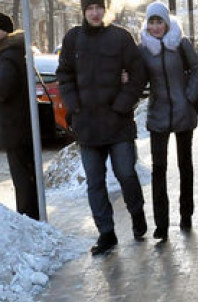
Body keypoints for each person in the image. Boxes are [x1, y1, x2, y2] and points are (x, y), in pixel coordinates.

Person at [56, 0, 148, 255]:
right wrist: (74, 108)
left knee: (126, 173)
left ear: (105, 9)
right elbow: (64, 75)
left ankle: (137, 212)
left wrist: (122, 104)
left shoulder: (120, 37)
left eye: (99, 7)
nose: (95, 13)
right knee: (95, 182)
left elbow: (138, 75)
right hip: (88, 125)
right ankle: (106, 233)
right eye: (90, 8)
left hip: (118, 123)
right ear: (84, 12)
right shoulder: (73, 39)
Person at [138, 1, 198, 241]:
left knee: (185, 165)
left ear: (166, 22)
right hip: (158, 115)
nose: (155, 27)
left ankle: (186, 215)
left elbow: (197, 69)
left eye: (159, 22)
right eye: (151, 22)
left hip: (183, 113)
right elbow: (137, 76)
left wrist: (189, 96)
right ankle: (162, 225)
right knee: (158, 169)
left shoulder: (181, 43)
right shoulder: (143, 48)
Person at [0, 13, 39, 221]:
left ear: (4, 31)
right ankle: (31, 214)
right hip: (19, 125)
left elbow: (3, 89)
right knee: (25, 174)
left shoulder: (7, 57)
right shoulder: (13, 53)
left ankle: (28, 217)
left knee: (22, 177)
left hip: (14, 126)